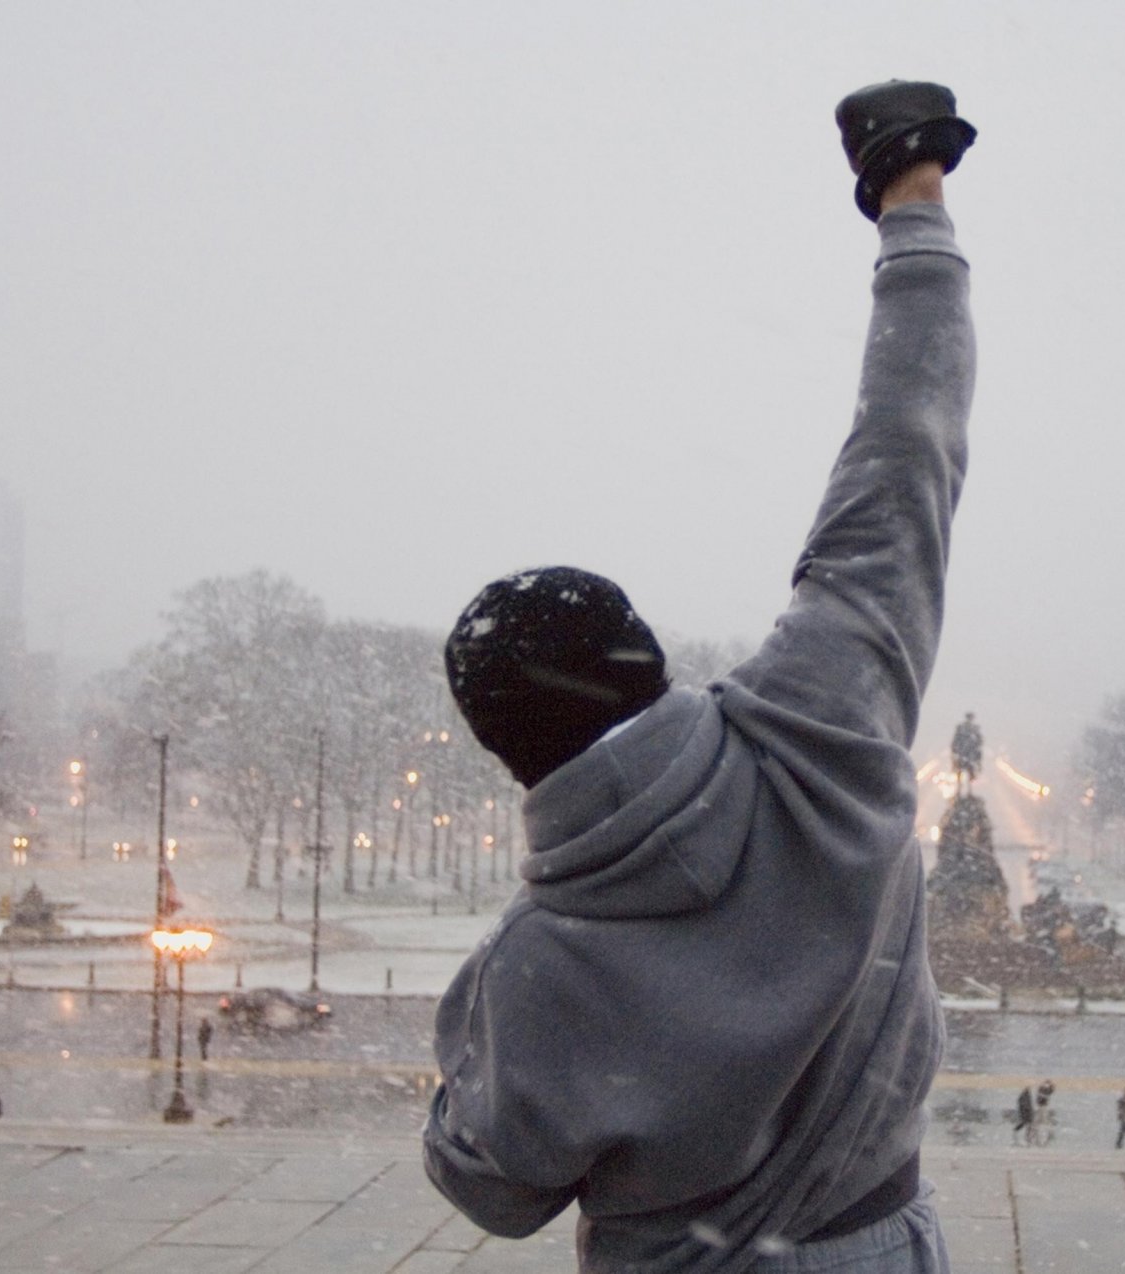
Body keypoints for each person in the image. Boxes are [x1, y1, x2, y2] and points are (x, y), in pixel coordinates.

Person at [423, 78, 977, 1273]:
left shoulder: (539, 965)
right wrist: (911, 202)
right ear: (648, 654)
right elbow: (905, 450)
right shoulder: (820, 719)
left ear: (506, 750)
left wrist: (475, 1026)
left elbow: (491, 1184)